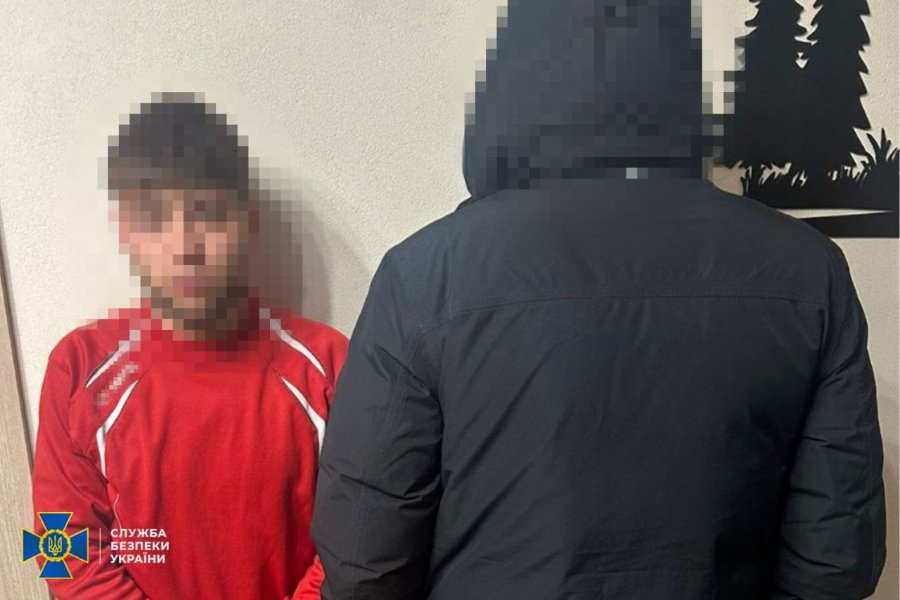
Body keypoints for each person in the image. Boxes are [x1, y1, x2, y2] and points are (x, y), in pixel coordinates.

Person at [310, 1, 886, 599]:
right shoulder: (808, 271)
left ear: (511, 84)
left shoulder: (426, 275)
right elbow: (836, 558)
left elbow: (364, 563)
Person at [30, 92, 347, 599]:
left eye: (208, 214)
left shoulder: (329, 367)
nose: (184, 247)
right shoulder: (76, 369)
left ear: (248, 223)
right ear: (126, 232)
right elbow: (61, 552)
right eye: (154, 220)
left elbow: (355, 545)